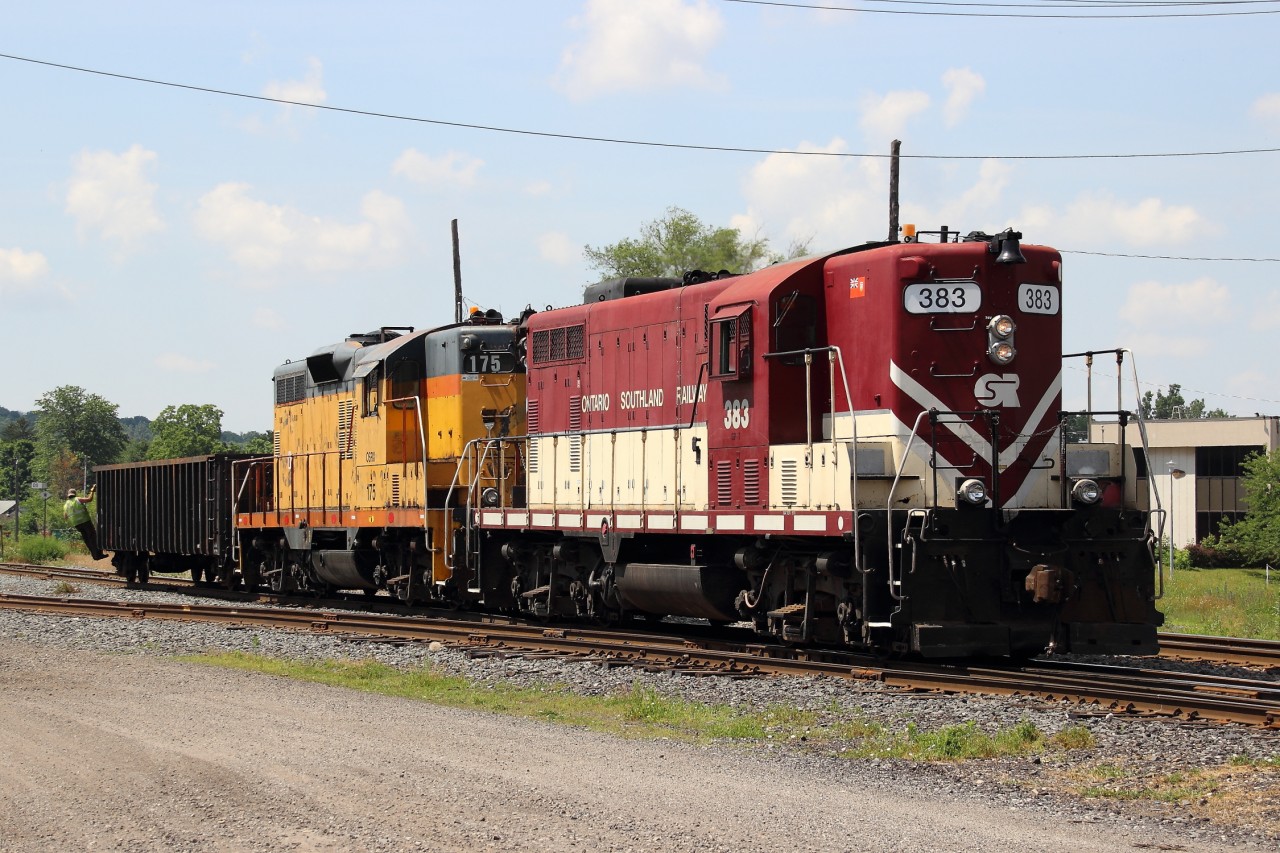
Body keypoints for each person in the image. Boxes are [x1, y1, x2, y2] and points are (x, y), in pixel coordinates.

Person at [64, 485, 105, 561]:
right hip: (85, 521)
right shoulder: (77, 499)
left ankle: (94, 555)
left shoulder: (66, 504)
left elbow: (65, 517)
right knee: (93, 537)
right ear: (75, 494)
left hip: (77, 524)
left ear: (68, 495)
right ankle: (98, 555)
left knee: (87, 539)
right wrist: (92, 491)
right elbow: (89, 499)